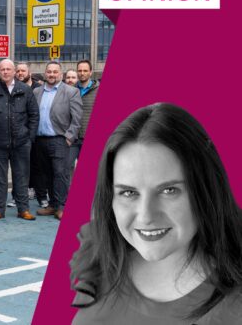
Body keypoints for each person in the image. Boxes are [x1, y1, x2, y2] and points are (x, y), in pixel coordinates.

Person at [70, 103, 242, 324]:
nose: (146, 216)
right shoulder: (96, 266)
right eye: (129, 192)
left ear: (206, 188)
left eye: (169, 190)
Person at [0, 59, 39, 221]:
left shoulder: (25, 90)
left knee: (21, 176)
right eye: (2, 69)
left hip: (21, 142)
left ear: (14, 71)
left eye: (8, 69)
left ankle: (23, 209)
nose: (5, 72)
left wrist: (29, 138)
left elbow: (34, 116)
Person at [34, 61, 83, 221]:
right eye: (49, 72)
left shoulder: (71, 91)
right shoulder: (36, 92)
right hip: (40, 140)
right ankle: (53, 204)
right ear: (45, 73)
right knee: (47, 174)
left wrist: (69, 137)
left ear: (60, 74)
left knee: (60, 174)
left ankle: (62, 206)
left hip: (60, 139)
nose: (52, 75)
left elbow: (77, 118)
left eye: (55, 72)